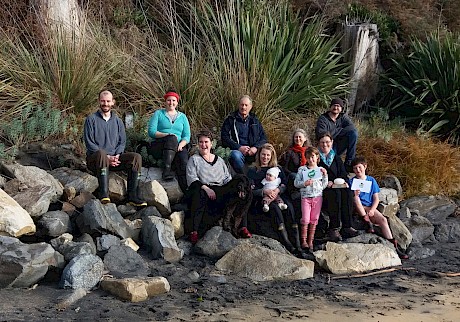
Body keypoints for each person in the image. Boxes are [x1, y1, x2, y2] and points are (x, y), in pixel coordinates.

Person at [186, 130, 252, 244]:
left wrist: (236, 188)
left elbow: (227, 178)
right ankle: (194, 231)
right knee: (199, 192)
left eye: (206, 142)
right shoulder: (194, 159)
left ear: (211, 144)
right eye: (201, 142)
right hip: (203, 188)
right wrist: (207, 189)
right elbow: (192, 179)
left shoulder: (220, 160)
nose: (203, 145)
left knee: (244, 186)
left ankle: (242, 226)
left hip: (220, 189)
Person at [84, 90, 147, 207]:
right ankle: (104, 194)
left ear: (113, 102)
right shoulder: (91, 119)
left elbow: (122, 142)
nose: (105, 104)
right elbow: (89, 143)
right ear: (99, 101)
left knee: (136, 157)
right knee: (101, 153)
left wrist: (117, 155)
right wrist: (107, 158)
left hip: (115, 160)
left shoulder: (118, 121)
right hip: (96, 160)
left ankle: (132, 196)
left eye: (108, 101)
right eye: (103, 101)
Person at [247, 143, 303, 256]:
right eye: (263, 154)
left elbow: (284, 184)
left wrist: (277, 190)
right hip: (262, 199)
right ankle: (288, 244)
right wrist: (264, 191)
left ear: (271, 156)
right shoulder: (253, 170)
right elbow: (250, 190)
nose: (265, 157)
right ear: (259, 155)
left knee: (289, 208)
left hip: (279, 195)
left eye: (268, 155)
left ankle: (297, 244)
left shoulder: (277, 169)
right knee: (275, 210)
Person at [350, 156, 409, 259]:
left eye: (359, 167)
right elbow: (349, 198)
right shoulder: (352, 181)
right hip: (357, 207)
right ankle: (367, 222)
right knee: (355, 198)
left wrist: (372, 210)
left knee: (383, 220)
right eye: (355, 168)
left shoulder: (371, 180)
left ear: (365, 166)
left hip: (369, 207)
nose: (358, 170)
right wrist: (354, 193)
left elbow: (376, 198)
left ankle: (394, 246)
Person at [317, 133, 358, 241]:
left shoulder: (335, 157)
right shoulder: (316, 158)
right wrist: (327, 181)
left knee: (348, 192)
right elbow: (314, 173)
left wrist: (345, 182)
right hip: (323, 187)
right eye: (322, 142)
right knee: (335, 194)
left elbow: (343, 173)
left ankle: (347, 226)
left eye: (327, 142)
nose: (325, 144)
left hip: (337, 185)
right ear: (319, 144)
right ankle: (333, 228)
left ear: (331, 143)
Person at [147, 89, 190, 192]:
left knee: (183, 160)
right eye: (169, 100)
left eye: (173, 100)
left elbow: (187, 136)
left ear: (177, 102)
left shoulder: (183, 117)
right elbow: (151, 131)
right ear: (165, 101)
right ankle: (166, 170)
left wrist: (181, 145)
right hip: (160, 145)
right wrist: (167, 135)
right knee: (171, 138)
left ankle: (186, 191)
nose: (171, 103)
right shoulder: (158, 113)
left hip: (178, 146)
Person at [221, 95, 267, 174]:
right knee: (235, 155)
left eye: (246, 105)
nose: (243, 107)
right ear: (239, 105)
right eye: (242, 105)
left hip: (253, 151)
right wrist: (239, 147)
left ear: (250, 107)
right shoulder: (231, 119)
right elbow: (224, 137)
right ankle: (245, 177)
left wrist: (255, 148)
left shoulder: (255, 120)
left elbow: (263, 137)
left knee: (267, 152)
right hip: (237, 150)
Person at [294, 147, 328, 251]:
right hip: (306, 197)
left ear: (317, 157)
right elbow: (296, 183)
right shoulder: (302, 169)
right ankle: (303, 240)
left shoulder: (320, 170)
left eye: (313, 157)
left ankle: (310, 241)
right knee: (305, 219)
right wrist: (304, 183)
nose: (311, 159)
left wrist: (325, 175)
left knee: (314, 219)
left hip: (317, 197)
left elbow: (324, 185)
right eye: (308, 157)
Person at [315, 98, 358, 172]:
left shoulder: (343, 117)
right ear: (330, 107)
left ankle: (349, 163)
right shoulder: (323, 119)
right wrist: (340, 130)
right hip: (327, 144)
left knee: (353, 134)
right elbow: (321, 134)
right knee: (332, 160)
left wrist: (334, 132)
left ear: (341, 108)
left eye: (338, 106)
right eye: (334, 105)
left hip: (340, 144)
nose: (336, 108)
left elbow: (352, 128)